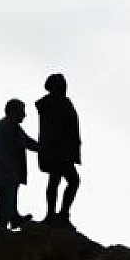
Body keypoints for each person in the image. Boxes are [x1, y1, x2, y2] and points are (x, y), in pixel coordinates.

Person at [35, 73, 82, 227]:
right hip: (58, 150)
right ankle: (56, 214)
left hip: (59, 150)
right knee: (67, 180)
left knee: (60, 180)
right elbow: (60, 128)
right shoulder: (55, 103)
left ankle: (58, 214)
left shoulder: (57, 103)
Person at [0, 99, 36, 231]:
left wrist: (44, 148)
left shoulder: (17, 130)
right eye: (21, 111)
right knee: (6, 197)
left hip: (9, 174)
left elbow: (29, 143)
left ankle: (13, 217)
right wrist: (10, 167)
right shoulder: (1, 127)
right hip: (0, 173)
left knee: (9, 196)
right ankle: (4, 226)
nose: (24, 115)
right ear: (13, 112)